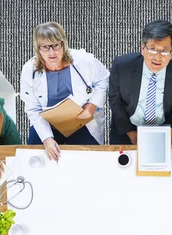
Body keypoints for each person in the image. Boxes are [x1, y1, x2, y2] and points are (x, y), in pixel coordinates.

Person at [20, 22, 110, 161]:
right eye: (45, 47)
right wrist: (47, 138)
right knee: (36, 159)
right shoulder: (29, 70)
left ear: (64, 44)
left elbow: (103, 78)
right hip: (47, 122)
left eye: (56, 45)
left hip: (80, 120)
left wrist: (91, 106)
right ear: (38, 49)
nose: (52, 52)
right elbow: (33, 109)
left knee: (91, 159)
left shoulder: (83, 61)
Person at [109, 20, 172, 145]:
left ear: (171, 52)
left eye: (164, 51)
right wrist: (130, 133)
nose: (158, 57)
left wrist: (163, 133)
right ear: (143, 48)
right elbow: (115, 101)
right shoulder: (122, 66)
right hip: (126, 129)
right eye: (152, 49)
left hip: (165, 130)